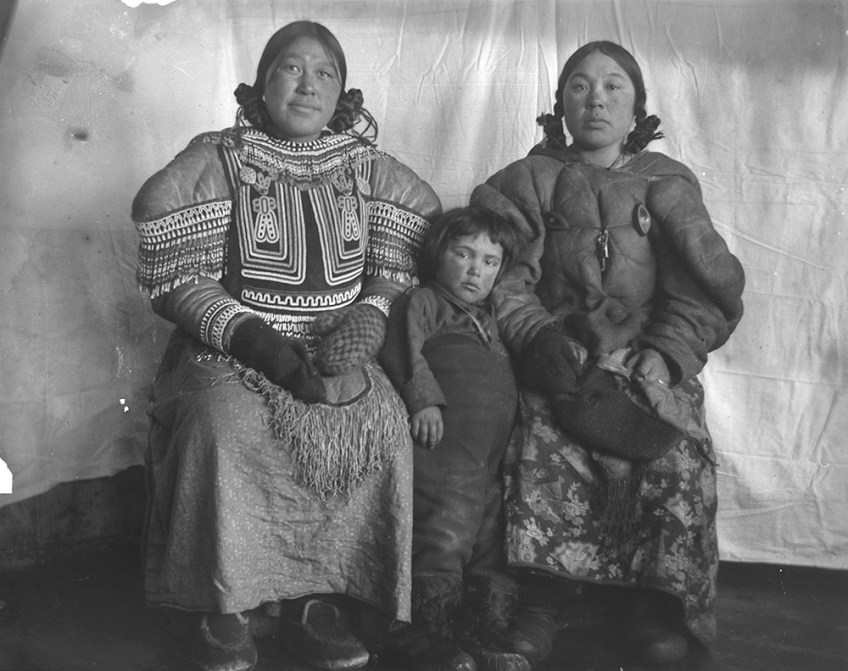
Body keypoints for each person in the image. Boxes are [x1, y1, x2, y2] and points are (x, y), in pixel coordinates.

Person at [131, 21, 441, 671]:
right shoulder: (217, 159)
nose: (308, 83)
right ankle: (226, 604)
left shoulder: (367, 168)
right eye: (291, 69)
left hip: (336, 347)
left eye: (324, 71)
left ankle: (317, 598)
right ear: (262, 85)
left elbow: (399, 261)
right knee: (223, 425)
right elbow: (181, 280)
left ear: (343, 92)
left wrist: (373, 315)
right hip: (229, 350)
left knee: (379, 422)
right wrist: (259, 344)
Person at [470, 40, 745, 665]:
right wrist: (543, 340)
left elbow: (699, 288)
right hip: (558, 357)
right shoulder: (526, 182)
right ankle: (541, 600)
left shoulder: (666, 184)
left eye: (613, 86)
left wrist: (667, 353)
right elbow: (504, 281)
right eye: (579, 86)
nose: (596, 99)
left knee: (672, 450)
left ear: (637, 106)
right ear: (560, 104)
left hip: (642, 357)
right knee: (541, 438)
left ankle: (652, 603)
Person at [377, 207, 528, 671]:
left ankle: (481, 634)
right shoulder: (423, 301)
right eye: (463, 254)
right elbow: (404, 348)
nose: (475, 269)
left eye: (489, 261)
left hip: (491, 455)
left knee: (488, 538)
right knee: (443, 529)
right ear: (438, 254)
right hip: (444, 446)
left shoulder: (492, 315)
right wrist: (423, 401)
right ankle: (426, 637)